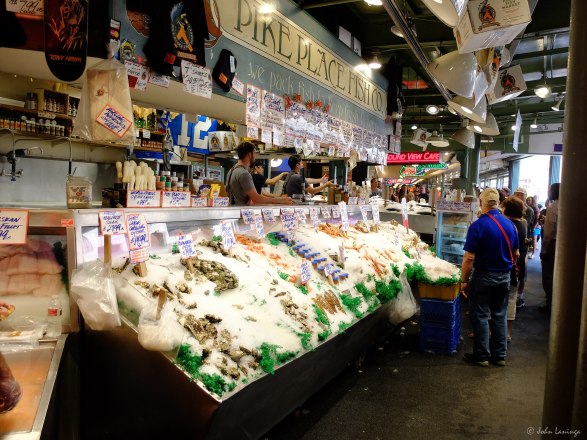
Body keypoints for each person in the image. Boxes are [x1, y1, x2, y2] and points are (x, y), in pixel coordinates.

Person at [461, 188, 519, 367]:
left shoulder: (477, 226)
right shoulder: (510, 225)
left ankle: (482, 355)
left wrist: (464, 280)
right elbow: (516, 253)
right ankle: (500, 355)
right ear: (498, 203)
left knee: (479, 315)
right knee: (499, 315)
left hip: (484, 276)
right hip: (504, 276)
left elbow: (469, 258)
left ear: (481, 203)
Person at [225, 142, 294, 206]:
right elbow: (256, 199)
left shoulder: (231, 170)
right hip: (242, 211)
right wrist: (281, 200)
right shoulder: (243, 173)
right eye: (254, 153)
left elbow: (229, 193)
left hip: (234, 209)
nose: (255, 156)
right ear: (249, 154)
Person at [501, 196, 527, 339]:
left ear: (506, 209)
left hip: (506, 265)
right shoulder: (522, 224)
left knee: (499, 300)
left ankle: (494, 331)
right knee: (511, 299)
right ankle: (508, 333)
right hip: (518, 265)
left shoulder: (507, 225)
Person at [540, 183, 560, 313]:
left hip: (552, 245)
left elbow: (549, 233)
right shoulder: (568, 204)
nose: (548, 192)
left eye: (550, 190)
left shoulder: (554, 206)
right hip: (563, 246)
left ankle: (550, 304)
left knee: (548, 276)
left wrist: (544, 250)